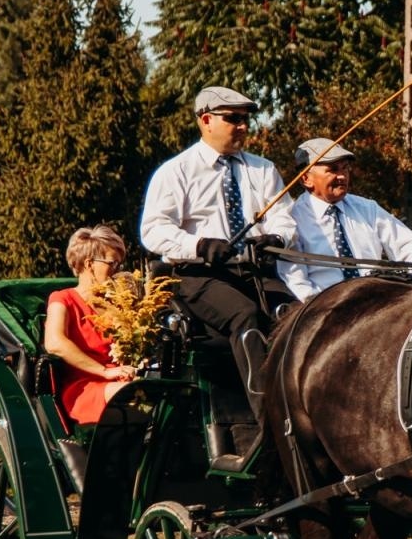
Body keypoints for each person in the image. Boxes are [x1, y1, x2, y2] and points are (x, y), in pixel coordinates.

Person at [139, 85, 297, 363]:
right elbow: (153, 230)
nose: (243, 126)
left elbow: (284, 217)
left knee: (295, 316)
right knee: (245, 316)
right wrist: (199, 245)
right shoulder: (176, 172)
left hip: (256, 272)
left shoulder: (263, 169)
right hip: (199, 275)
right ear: (206, 120)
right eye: (233, 118)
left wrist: (276, 238)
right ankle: (264, 405)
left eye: (246, 119)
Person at [278, 138, 412, 301]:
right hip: (326, 311)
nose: (342, 176)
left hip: (376, 305)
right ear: (306, 179)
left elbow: (409, 245)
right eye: (332, 169)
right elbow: (298, 283)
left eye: (345, 168)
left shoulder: (367, 209)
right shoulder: (291, 221)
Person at [44, 226, 136, 425]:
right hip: (84, 388)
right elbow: (54, 342)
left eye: (119, 264)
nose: (117, 270)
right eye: (112, 263)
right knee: (137, 394)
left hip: (122, 380)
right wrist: (104, 371)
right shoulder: (63, 299)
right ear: (89, 264)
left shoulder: (118, 303)